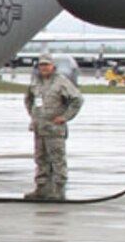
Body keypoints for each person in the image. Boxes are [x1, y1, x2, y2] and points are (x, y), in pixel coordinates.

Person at [24, 56, 84, 201]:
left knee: (57, 160)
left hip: (54, 129)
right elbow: (28, 99)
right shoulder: (36, 82)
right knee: (40, 159)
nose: (44, 68)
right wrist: (34, 115)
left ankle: (58, 189)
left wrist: (65, 117)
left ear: (53, 66)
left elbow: (77, 99)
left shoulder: (61, 82)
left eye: (47, 65)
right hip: (40, 128)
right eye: (41, 65)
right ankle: (41, 188)